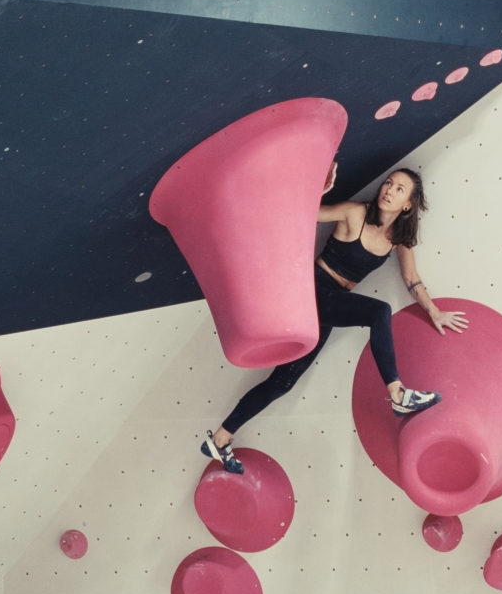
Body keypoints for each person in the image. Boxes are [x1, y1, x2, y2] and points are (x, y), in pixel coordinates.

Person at [201, 163, 468, 474]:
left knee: (283, 382)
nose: (389, 191)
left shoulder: (399, 239)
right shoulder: (355, 212)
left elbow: (412, 279)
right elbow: (307, 214)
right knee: (379, 312)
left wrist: (435, 312)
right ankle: (397, 392)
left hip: (332, 304)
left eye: (399, 189)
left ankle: (219, 440)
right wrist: (321, 190)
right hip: (311, 290)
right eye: (388, 183)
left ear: (407, 204)